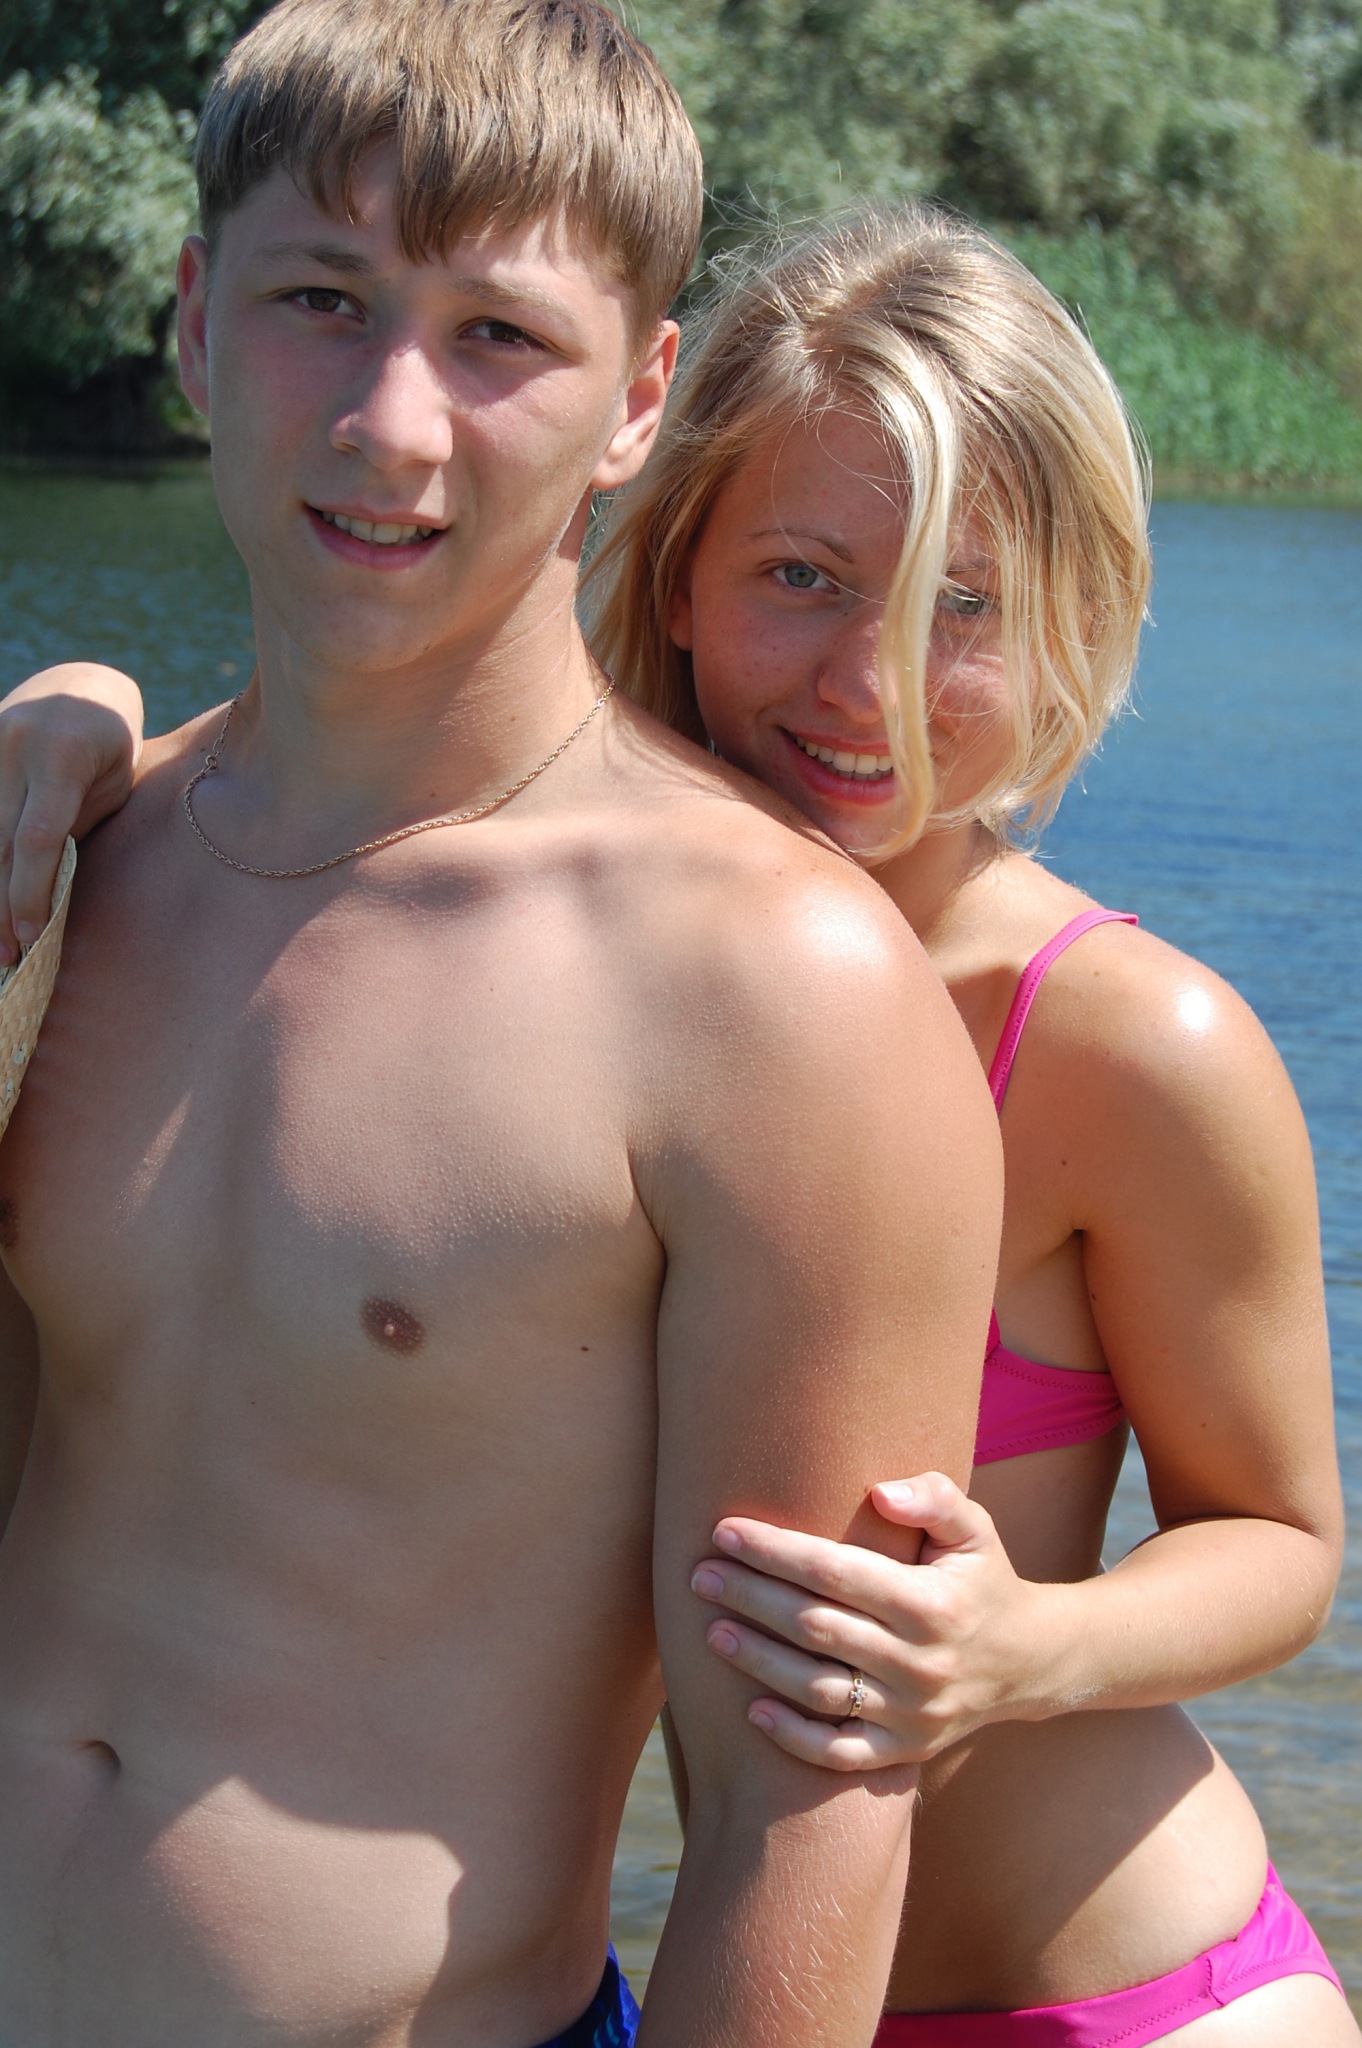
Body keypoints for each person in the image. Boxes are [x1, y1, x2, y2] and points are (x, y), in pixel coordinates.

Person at [6, 211, 1352, 2044]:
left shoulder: (1131, 1042)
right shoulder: (586, 968)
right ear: (678, 563)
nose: (867, 684)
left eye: (962, 607)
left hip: (1110, 1986)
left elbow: (1278, 1541)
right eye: (801, 575)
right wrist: (78, 715)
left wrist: (1019, 1648)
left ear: (1076, 622)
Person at [0, 12, 1004, 2041]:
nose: (391, 424)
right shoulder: (71, 864)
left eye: (496, 338)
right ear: (193, 321)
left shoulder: (767, 993)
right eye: (322, 299)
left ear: (637, 400)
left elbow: (802, 1806)